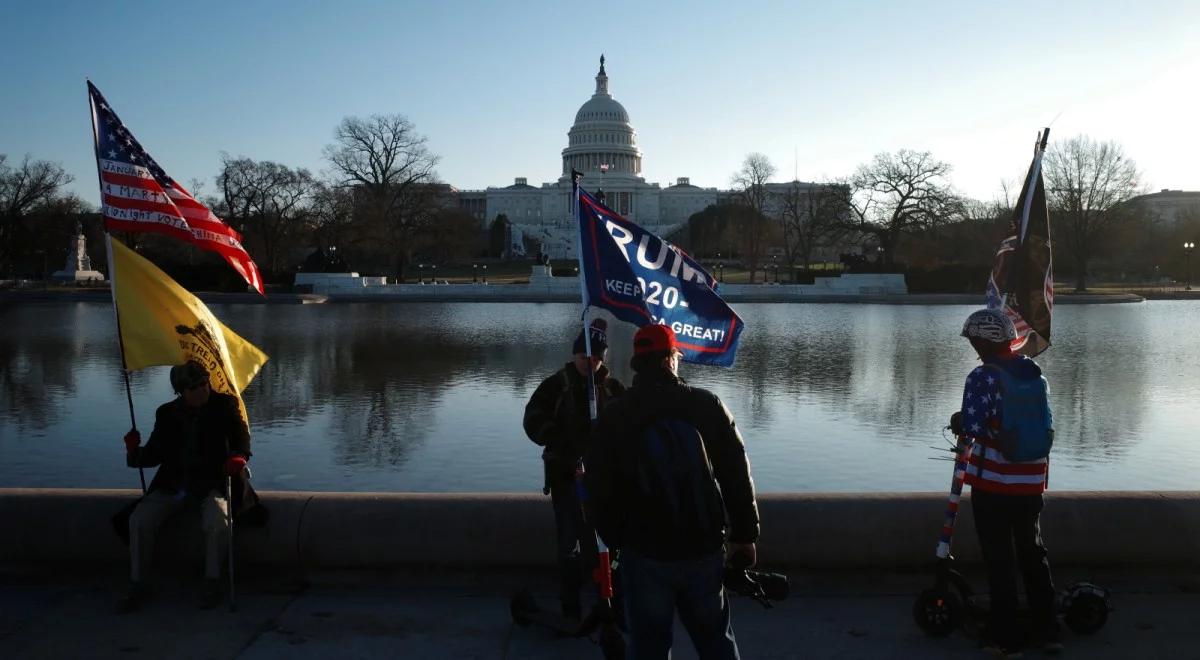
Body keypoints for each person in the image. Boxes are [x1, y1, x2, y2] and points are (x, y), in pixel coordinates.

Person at [586, 324, 759, 660]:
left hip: (644, 552)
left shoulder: (616, 415)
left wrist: (619, 541)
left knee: (648, 646)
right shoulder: (706, 405)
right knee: (716, 642)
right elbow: (736, 474)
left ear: (638, 361)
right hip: (702, 549)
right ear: (671, 360)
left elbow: (598, 489)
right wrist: (745, 535)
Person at [956, 309, 1059, 657]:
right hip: (1032, 480)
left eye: (973, 340)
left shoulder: (983, 376)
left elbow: (972, 426)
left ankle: (1005, 635)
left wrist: (960, 422)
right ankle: (1047, 629)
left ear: (983, 341)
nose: (972, 346)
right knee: (1032, 551)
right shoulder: (1034, 373)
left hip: (995, 482)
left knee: (999, 557)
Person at [116, 360, 252, 613]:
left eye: (203, 383)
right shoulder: (166, 413)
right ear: (181, 392)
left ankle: (212, 581)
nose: (201, 390)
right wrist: (133, 450)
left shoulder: (225, 405)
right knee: (139, 521)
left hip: (214, 484)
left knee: (218, 520)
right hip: (173, 484)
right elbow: (152, 456)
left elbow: (241, 439)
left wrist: (239, 457)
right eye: (193, 388)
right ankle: (138, 583)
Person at [523, 319, 626, 618]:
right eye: (584, 357)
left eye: (595, 358)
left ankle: (611, 598)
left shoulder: (613, 387)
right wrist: (561, 441)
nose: (590, 363)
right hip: (566, 479)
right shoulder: (556, 385)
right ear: (574, 356)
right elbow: (532, 419)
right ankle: (570, 604)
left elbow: (630, 424)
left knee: (611, 544)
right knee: (570, 543)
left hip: (606, 482)